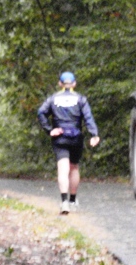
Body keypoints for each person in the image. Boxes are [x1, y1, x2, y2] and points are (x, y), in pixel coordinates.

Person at [37, 71, 100, 215]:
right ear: (74, 84)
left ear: (60, 84)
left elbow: (41, 112)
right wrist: (94, 134)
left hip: (60, 137)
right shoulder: (80, 99)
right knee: (74, 168)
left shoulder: (53, 98)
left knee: (62, 169)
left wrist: (49, 130)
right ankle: (72, 200)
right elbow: (88, 118)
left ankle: (64, 201)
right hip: (76, 137)